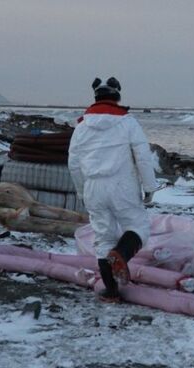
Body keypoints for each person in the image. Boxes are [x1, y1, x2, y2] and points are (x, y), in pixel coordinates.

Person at [68, 76, 159, 302]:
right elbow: (143, 157)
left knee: (103, 237)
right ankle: (121, 255)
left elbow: (73, 164)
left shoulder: (81, 127)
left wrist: (81, 191)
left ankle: (111, 291)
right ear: (117, 96)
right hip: (122, 185)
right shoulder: (127, 122)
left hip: (93, 187)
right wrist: (149, 187)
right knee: (138, 227)